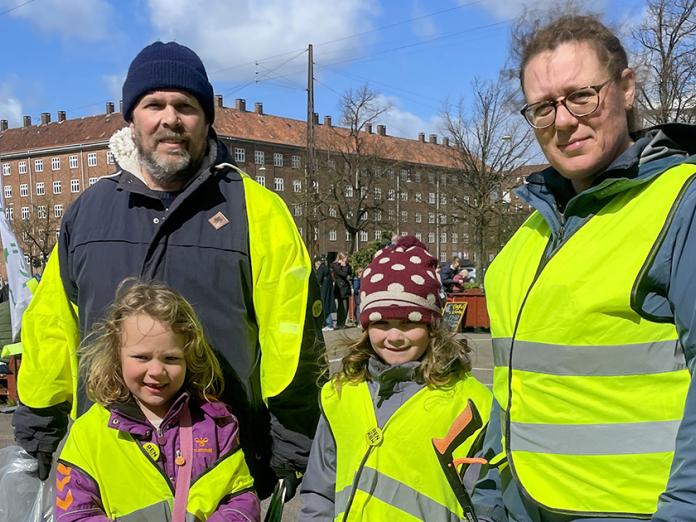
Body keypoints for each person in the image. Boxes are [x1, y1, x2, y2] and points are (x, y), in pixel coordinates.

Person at [12, 41, 325, 499]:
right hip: (106, 465)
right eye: (153, 104)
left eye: (186, 106)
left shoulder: (258, 210)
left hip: (223, 466)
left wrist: (294, 437)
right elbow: (53, 325)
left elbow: (293, 333)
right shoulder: (88, 212)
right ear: (132, 118)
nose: (170, 119)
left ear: (206, 119)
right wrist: (39, 419)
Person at [475, 14, 696, 522]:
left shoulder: (681, 204)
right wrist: (491, 486)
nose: (565, 120)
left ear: (626, 88)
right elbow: (514, 381)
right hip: (523, 506)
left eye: (581, 96)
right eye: (544, 107)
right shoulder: (528, 236)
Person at [299, 236, 492, 520]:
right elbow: (319, 490)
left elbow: (488, 501)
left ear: (432, 326)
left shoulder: (471, 403)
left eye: (409, 323)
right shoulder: (339, 394)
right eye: (381, 323)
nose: (394, 337)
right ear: (365, 326)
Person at [55, 281, 260, 521]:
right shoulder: (88, 434)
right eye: (141, 357)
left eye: (171, 358)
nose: (156, 371)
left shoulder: (216, 425)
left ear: (189, 358)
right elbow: (74, 514)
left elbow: (241, 501)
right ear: (116, 354)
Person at [331, 252, 352, 329]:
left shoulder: (346, 265)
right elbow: (343, 274)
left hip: (345, 288)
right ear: (341, 258)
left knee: (345, 306)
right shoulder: (336, 265)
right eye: (345, 258)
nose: (346, 260)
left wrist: (347, 266)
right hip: (340, 288)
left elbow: (350, 272)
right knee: (343, 306)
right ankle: (340, 323)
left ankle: (341, 323)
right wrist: (344, 266)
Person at [316, 256, 335, 331]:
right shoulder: (327, 269)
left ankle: (329, 324)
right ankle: (328, 324)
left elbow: (318, 279)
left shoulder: (321, 268)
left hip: (323, 291)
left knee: (324, 307)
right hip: (328, 291)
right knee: (327, 307)